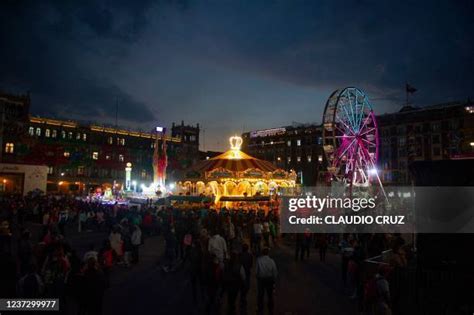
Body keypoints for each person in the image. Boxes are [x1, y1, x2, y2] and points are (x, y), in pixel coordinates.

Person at [256, 247, 277, 315]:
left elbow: (256, 271)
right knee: (270, 295)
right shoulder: (271, 261)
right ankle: (270, 308)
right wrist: (274, 280)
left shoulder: (259, 260)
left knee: (260, 295)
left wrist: (258, 277)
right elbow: (275, 272)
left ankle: (260, 308)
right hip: (269, 279)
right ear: (268, 253)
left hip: (261, 279)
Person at [224, 251, 246, 315]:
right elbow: (243, 276)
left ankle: (230, 307)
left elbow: (224, 273)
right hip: (236, 285)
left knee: (229, 296)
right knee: (234, 297)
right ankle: (232, 307)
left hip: (228, 284)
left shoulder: (227, 264)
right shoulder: (239, 266)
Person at [239, 243, 253, 313]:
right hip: (247, 272)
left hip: (241, 273)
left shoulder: (240, 255)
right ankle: (243, 297)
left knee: (242, 285)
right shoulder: (250, 255)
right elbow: (251, 264)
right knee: (246, 285)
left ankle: (242, 297)